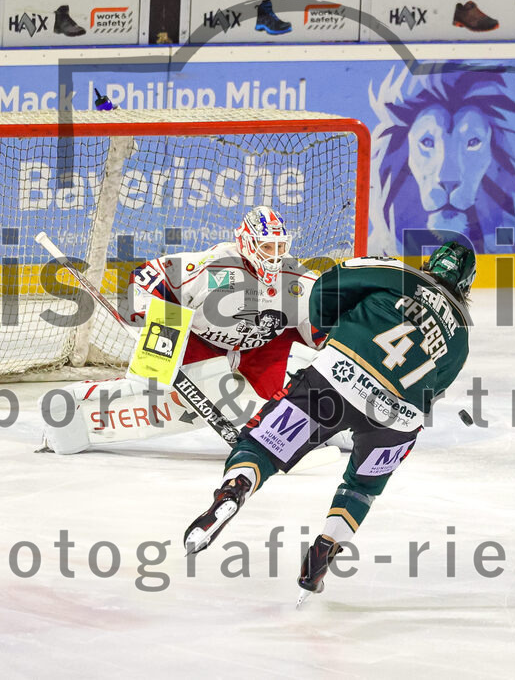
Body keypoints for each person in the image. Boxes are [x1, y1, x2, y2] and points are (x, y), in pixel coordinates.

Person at [182, 240, 476, 601]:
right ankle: (324, 551)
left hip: (338, 378)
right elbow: (435, 390)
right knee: (362, 488)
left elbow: (329, 284)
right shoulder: (462, 335)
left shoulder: (398, 273)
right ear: (465, 285)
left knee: (262, 446)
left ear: (430, 262)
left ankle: (234, 490)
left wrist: (327, 332)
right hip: (399, 418)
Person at [41, 205, 321, 454]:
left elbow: (321, 329)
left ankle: (331, 428)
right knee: (156, 387)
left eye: (280, 246)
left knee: (307, 390)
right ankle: (74, 403)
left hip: (262, 348)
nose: (275, 255)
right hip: (202, 342)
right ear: (246, 243)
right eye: (266, 246)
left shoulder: (299, 279)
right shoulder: (214, 267)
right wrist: (155, 330)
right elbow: (146, 277)